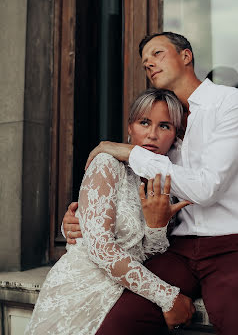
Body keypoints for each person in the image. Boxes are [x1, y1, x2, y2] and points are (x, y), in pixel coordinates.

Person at [64, 32, 238, 335]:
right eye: (144, 62)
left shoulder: (231, 103)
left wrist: (129, 151)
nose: (149, 63)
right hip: (176, 249)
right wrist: (81, 218)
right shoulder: (165, 129)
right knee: (118, 325)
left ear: (186, 56)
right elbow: (128, 195)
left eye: (157, 54)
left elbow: (206, 189)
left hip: (236, 245)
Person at [25, 89, 195, 335]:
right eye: (144, 122)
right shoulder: (107, 163)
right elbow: (100, 249)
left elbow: (148, 253)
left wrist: (156, 226)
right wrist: (167, 297)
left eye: (164, 126)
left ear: (175, 136)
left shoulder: (168, 183)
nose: (152, 134)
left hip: (122, 294)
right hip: (78, 293)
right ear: (130, 127)